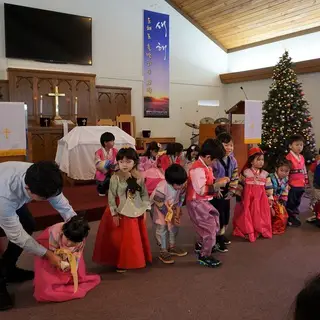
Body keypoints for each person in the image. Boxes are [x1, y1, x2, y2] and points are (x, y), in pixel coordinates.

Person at [0, 161, 77, 311]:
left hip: (12, 197)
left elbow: (62, 205)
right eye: (44, 198)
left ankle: (8, 268)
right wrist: (47, 254)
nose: (49, 200)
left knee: (28, 223)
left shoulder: (43, 176)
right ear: (29, 190)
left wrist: (75, 225)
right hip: (2, 196)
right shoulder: (5, 197)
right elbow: (17, 235)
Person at [93, 147, 152, 272]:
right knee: (119, 237)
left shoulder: (139, 177)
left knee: (133, 237)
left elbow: (144, 194)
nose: (124, 165)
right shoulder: (115, 177)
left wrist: (145, 210)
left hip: (135, 209)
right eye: (121, 161)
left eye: (128, 161)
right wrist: (114, 213)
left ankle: (134, 259)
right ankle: (120, 261)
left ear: (135, 162)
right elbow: (111, 196)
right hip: (120, 209)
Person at [34, 216, 100, 302]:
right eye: (68, 239)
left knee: (75, 269)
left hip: (65, 251)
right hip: (48, 248)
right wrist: (60, 261)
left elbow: (77, 254)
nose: (69, 243)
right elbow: (53, 252)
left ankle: (64, 279)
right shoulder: (55, 232)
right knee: (48, 270)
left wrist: (73, 267)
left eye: (73, 242)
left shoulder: (80, 241)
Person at [186, 138, 229, 268]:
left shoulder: (205, 166)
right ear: (209, 157)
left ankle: (202, 244)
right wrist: (217, 185)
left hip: (202, 202)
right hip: (197, 202)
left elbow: (210, 181)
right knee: (209, 227)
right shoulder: (197, 169)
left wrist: (217, 184)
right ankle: (205, 255)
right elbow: (201, 189)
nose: (215, 163)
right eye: (215, 160)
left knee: (213, 223)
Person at [233, 147, 273, 243]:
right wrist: (238, 196)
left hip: (261, 199)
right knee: (248, 214)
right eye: (258, 160)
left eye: (262, 160)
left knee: (260, 214)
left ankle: (258, 229)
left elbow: (268, 187)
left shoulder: (265, 174)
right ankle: (249, 230)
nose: (261, 162)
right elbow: (240, 185)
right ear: (251, 161)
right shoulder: (246, 172)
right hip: (248, 199)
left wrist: (270, 197)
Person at [150, 164, 188, 264]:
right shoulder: (162, 187)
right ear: (170, 182)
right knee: (162, 228)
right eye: (178, 185)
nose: (180, 187)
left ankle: (172, 246)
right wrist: (170, 216)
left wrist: (178, 210)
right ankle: (163, 250)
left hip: (173, 206)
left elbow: (182, 197)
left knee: (174, 227)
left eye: (182, 184)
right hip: (160, 208)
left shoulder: (181, 184)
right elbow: (160, 204)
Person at [210, 132, 238, 253]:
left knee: (226, 214)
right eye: (226, 145)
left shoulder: (233, 160)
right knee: (217, 215)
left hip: (227, 191)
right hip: (217, 192)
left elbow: (235, 175)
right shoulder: (214, 161)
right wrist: (215, 189)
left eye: (231, 145)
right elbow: (210, 177)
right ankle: (215, 238)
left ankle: (221, 234)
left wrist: (232, 189)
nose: (229, 148)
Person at [286, 134, 308, 227]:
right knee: (291, 200)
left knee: (298, 200)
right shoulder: (288, 157)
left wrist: (306, 179)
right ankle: (290, 216)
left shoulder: (302, 157)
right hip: (292, 183)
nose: (299, 147)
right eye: (297, 145)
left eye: (301, 145)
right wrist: (286, 183)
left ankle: (294, 215)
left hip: (301, 182)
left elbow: (304, 169)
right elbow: (286, 171)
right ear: (290, 146)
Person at [269, 158, 290, 235]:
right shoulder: (270, 177)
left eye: (286, 171)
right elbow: (268, 191)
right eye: (281, 170)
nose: (284, 173)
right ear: (276, 169)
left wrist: (283, 199)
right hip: (269, 198)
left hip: (278, 199)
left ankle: (276, 228)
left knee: (282, 214)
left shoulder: (285, 179)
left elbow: (285, 190)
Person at [95, 132, 118, 196]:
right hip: (103, 173)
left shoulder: (115, 151)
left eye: (113, 141)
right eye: (111, 141)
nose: (113, 142)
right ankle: (103, 189)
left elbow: (118, 161)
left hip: (113, 172)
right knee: (104, 183)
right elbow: (98, 165)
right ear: (105, 143)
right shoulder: (98, 152)